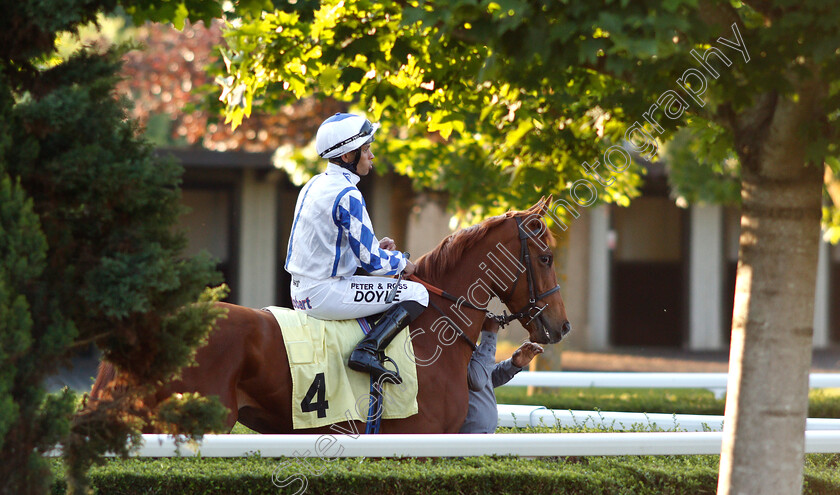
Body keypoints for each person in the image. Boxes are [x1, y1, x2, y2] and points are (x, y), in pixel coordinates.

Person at [285, 112, 429, 385]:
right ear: (348, 157)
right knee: (418, 293)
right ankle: (367, 350)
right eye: (366, 149)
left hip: (300, 291)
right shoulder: (349, 194)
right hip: (324, 294)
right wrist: (401, 261)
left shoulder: (313, 184)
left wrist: (376, 247)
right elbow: (374, 264)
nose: (372, 156)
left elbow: (330, 246)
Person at [459, 317, 544, 434]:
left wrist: (513, 365)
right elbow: (477, 380)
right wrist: (489, 336)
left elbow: (484, 378)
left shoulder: (463, 339)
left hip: (480, 439)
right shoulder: (449, 343)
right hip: (464, 441)